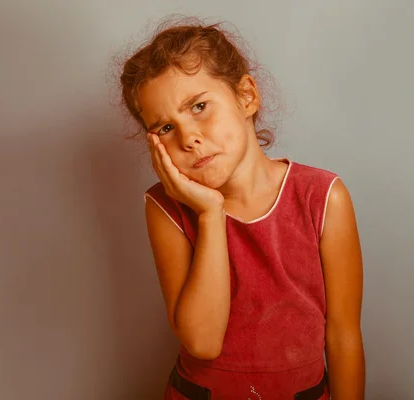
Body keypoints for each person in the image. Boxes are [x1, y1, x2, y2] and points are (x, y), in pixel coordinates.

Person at [119, 16, 365, 400]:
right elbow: (202, 342)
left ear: (247, 95)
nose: (189, 138)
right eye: (165, 128)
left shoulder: (323, 197)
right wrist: (210, 214)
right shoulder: (165, 209)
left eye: (199, 106)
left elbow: (344, 335)